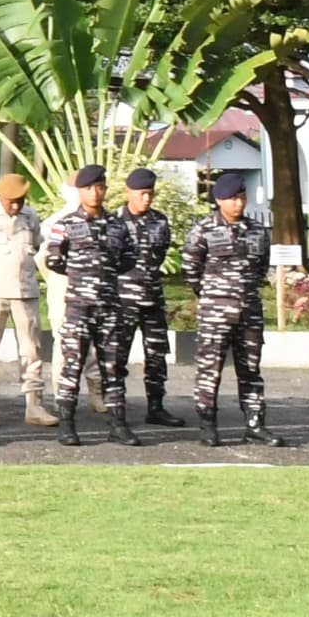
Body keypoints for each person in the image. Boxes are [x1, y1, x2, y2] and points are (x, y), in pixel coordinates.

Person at [43, 167, 142, 448]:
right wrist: (82, 275)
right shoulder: (66, 224)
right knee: (72, 366)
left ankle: (117, 424)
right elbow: (54, 260)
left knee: (112, 367)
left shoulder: (117, 225)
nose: (95, 193)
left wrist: (104, 277)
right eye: (89, 188)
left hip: (109, 306)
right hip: (79, 307)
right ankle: (67, 424)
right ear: (80, 192)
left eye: (100, 188)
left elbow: (128, 258)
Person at [183, 170, 279, 444]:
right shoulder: (204, 229)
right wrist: (213, 294)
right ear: (219, 200)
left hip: (248, 311)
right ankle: (208, 425)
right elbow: (191, 270)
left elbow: (261, 268)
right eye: (232, 198)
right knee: (210, 369)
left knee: (250, 369)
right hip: (215, 313)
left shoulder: (258, 231)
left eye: (242, 197)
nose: (239, 203)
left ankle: (254, 424)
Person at [0, 168, 49, 427]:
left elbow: (36, 245)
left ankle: (34, 404)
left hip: (25, 291)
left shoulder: (31, 217)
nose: (15, 205)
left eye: (20, 200)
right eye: (10, 201)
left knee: (31, 350)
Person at [115, 168, 179, 425]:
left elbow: (160, 253)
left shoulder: (160, 221)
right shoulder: (114, 221)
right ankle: (117, 410)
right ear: (128, 192)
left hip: (152, 298)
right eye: (142, 194)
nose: (146, 199)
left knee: (156, 356)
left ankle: (156, 406)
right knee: (117, 356)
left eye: (150, 194)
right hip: (123, 300)